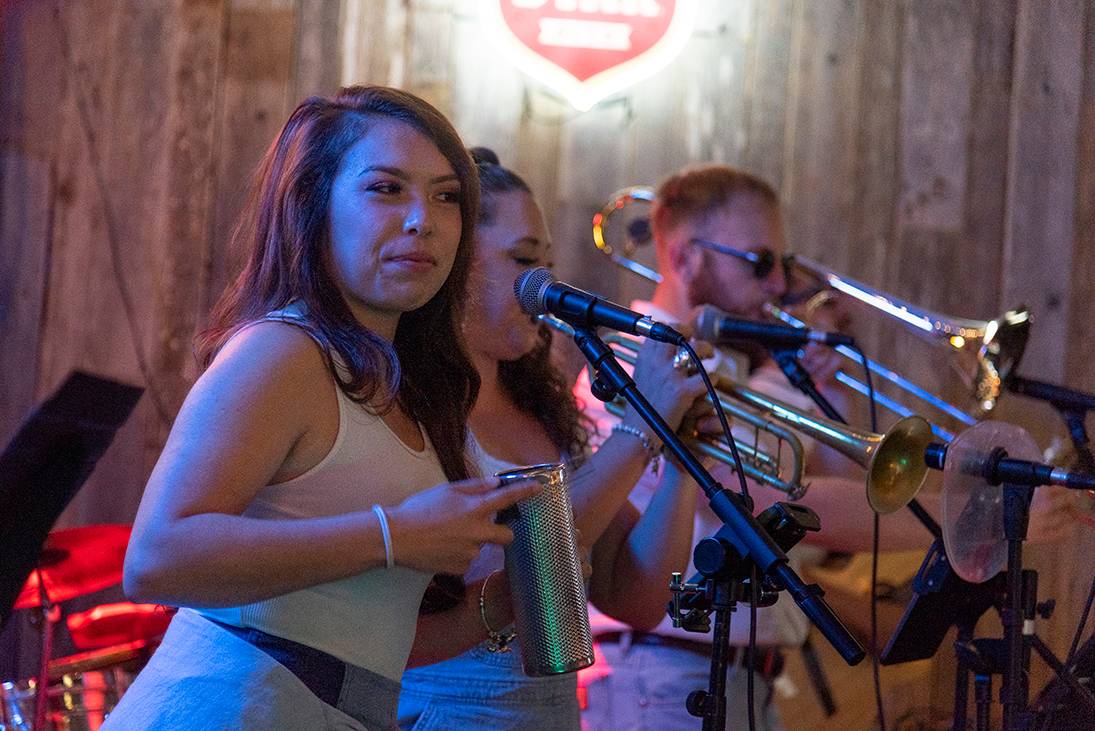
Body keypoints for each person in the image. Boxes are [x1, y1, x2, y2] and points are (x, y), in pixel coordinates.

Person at [104, 86, 541, 730]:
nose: (424, 219)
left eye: (448, 197)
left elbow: (358, 645)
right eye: (386, 189)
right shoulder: (281, 351)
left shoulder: (418, 391)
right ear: (313, 206)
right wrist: (395, 535)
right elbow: (158, 559)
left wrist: (505, 600)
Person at [578, 164, 1073, 730]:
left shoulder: (730, 371)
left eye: (782, 266)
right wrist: (983, 515)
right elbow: (771, 503)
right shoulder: (635, 358)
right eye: (761, 262)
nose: (778, 285)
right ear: (689, 257)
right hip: (664, 677)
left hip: (736, 677)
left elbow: (845, 489)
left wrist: (826, 387)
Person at [397, 149, 714, 730]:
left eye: (548, 263)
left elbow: (637, 598)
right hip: (445, 711)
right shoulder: (409, 405)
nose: (545, 286)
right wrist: (643, 429)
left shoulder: (542, 414)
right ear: (454, 261)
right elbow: (522, 565)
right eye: (523, 261)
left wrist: (683, 462)